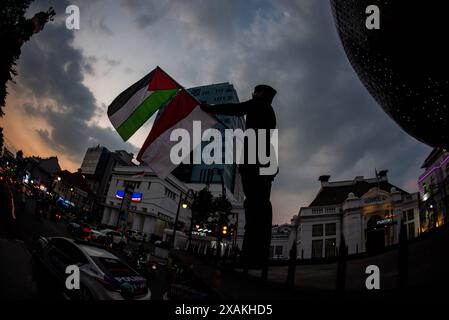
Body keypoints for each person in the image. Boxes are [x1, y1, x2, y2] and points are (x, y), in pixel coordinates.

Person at [201, 84, 278, 270]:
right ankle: (258, 255)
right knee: (261, 206)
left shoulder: (258, 104)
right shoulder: (270, 113)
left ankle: (251, 256)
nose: (252, 94)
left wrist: (209, 108)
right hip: (266, 162)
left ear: (260, 94)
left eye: (255, 91)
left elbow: (235, 109)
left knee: (253, 207)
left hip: (255, 162)